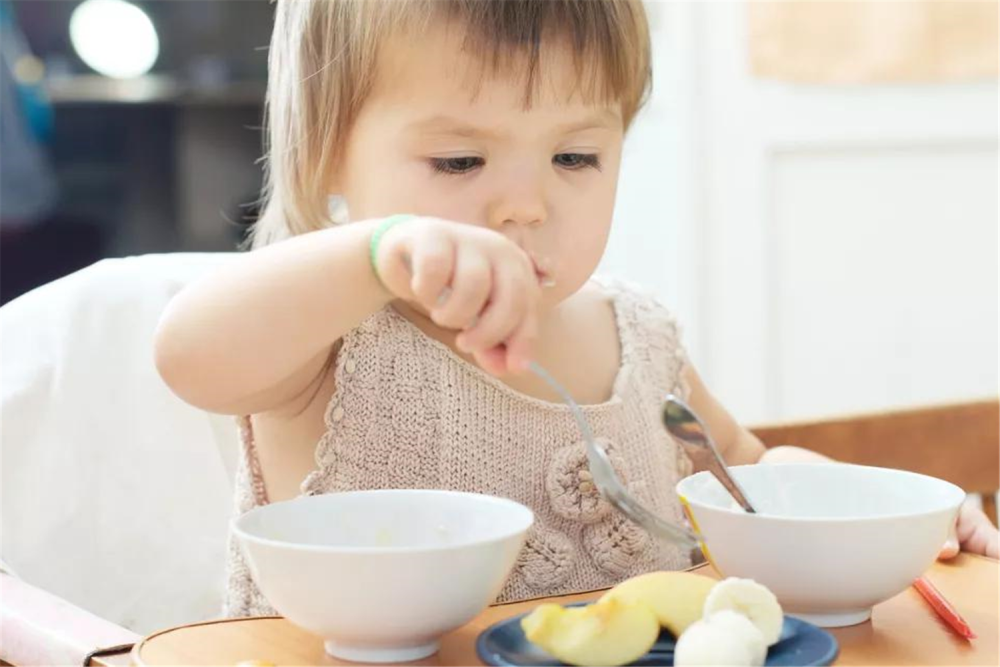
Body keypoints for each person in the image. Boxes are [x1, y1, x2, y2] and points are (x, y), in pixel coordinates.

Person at [153, 0, 997, 617]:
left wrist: (893, 515)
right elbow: (190, 356)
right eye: (458, 160)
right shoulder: (333, 335)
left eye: (574, 155)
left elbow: (748, 471)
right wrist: (377, 251)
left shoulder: (641, 337)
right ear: (327, 153)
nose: (524, 204)